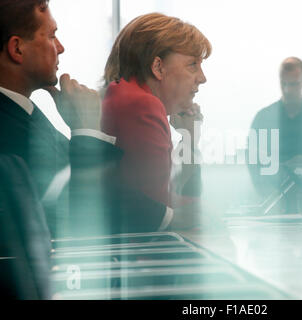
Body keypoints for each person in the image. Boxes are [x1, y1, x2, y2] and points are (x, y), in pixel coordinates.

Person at [0, 0, 119, 236]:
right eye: (52, 36)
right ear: (17, 49)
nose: (61, 47)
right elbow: (83, 219)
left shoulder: (21, 111)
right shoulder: (8, 129)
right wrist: (86, 129)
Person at [102, 13, 211, 232]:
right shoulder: (143, 104)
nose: (202, 77)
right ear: (158, 67)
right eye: (192, 65)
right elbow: (159, 211)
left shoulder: (122, 95)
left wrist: (188, 138)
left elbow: (160, 201)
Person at [248, 57, 302, 214]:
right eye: (284, 84)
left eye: (294, 84)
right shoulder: (264, 118)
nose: (288, 90)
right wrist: (269, 195)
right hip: (273, 203)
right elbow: (254, 162)